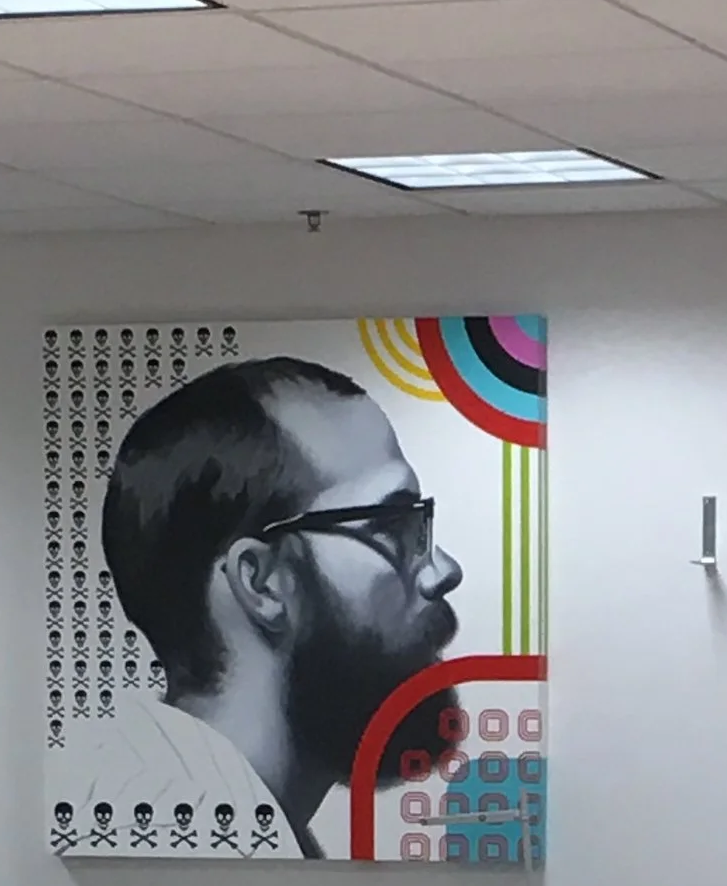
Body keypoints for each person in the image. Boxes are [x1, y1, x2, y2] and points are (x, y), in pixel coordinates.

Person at [99, 355, 463, 858]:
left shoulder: (232, 834)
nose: (444, 569)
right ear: (262, 583)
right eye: (392, 526)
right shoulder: (178, 843)